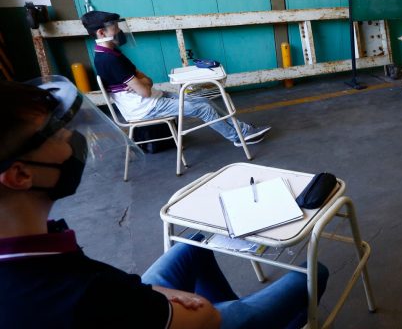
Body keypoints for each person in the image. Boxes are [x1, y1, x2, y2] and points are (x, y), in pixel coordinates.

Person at [0, 76, 328, 328]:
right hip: (179, 317)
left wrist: (157, 300)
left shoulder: (30, 253)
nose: (72, 140)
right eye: (58, 135)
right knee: (313, 272)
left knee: (193, 244)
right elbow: (204, 319)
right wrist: (176, 304)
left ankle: (239, 311)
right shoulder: (77, 294)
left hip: (139, 305)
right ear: (19, 175)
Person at [84, 11, 270, 147]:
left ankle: (242, 129)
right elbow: (145, 89)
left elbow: (145, 80)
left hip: (151, 99)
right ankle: (237, 137)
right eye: (115, 26)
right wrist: (144, 83)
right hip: (145, 108)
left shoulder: (112, 53)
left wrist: (144, 82)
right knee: (203, 108)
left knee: (202, 100)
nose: (119, 30)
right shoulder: (108, 59)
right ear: (101, 33)